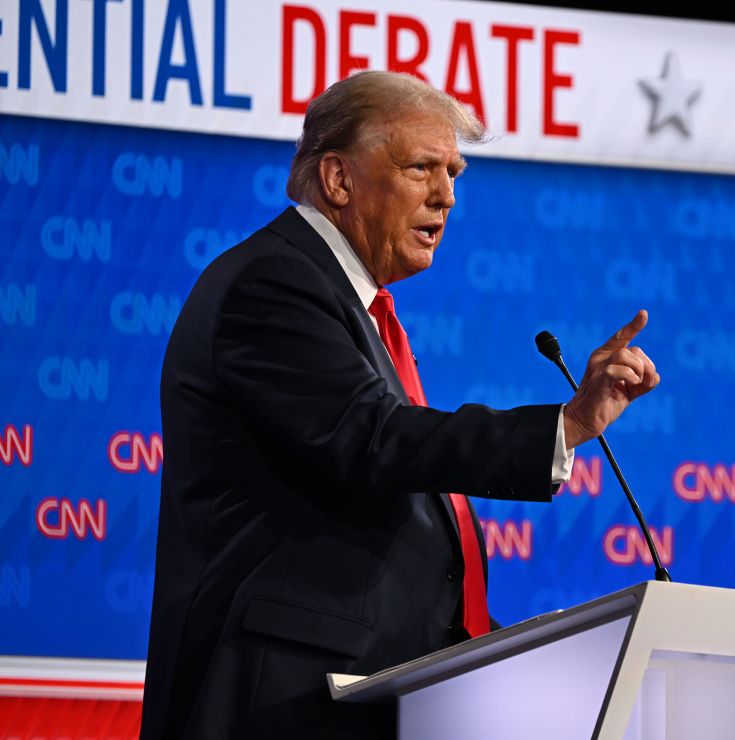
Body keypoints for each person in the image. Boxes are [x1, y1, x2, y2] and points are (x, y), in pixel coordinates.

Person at [140, 70, 660, 739]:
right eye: (422, 168)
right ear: (338, 179)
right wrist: (562, 426)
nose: (446, 196)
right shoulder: (273, 283)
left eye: (455, 173)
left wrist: (508, 655)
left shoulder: (349, 306)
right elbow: (373, 437)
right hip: (283, 702)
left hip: (364, 698)